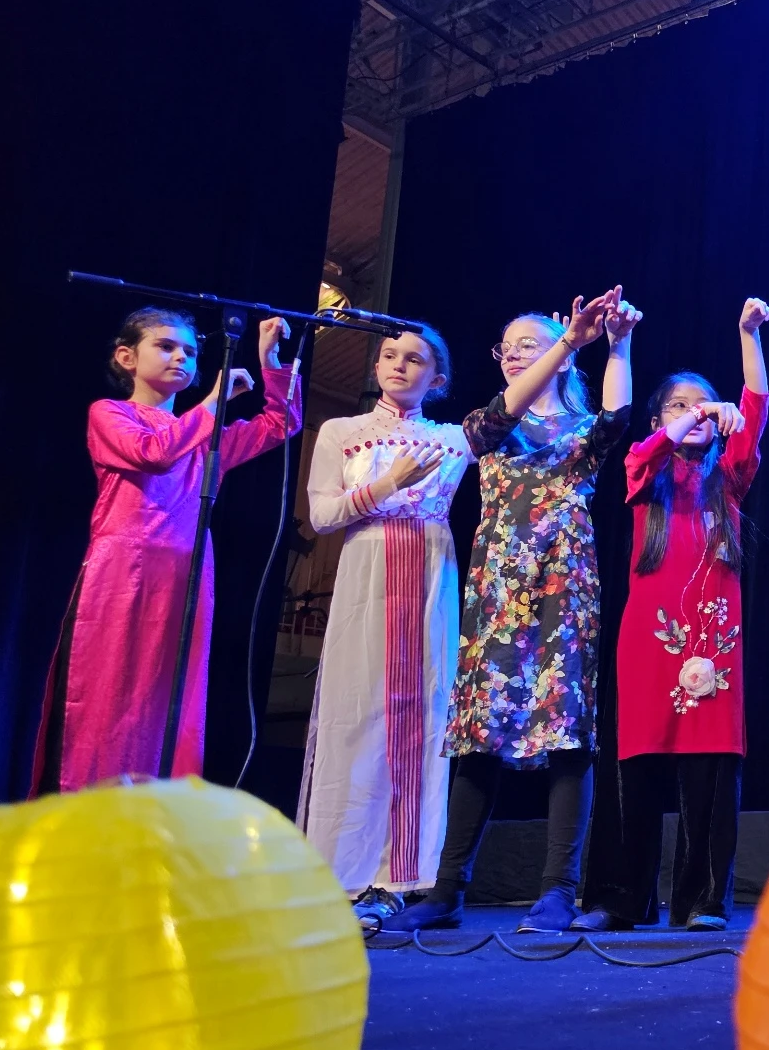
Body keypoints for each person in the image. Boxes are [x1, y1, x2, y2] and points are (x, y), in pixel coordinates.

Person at [384, 290, 636, 933]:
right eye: (512, 346)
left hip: (564, 581)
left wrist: (617, 343)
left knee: (567, 727)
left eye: (535, 340)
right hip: (500, 580)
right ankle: (447, 889)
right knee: (479, 728)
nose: (520, 352)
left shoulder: (581, 431)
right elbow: (492, 425)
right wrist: (566, 343)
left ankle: (558, 889)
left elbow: (618, 418)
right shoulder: (489, 421)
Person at [32, 306, 299, 794]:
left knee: (169, 699)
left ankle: (157, 819)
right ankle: (89, 810)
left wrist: (270, 359)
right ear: (126, 357)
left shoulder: (205, 437)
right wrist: (216, 401)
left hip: (185, 573)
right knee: (107, 693)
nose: (182, 357)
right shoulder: (109, 413)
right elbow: (152, 453)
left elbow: (281, 423)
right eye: (167, 346)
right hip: (121, 573)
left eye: (191, 352)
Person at [577, 298, 769, 933]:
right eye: (676, 405)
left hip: (714, 648)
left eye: (702, 405)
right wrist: (675, 427)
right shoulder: (647, 471)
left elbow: (757, 409)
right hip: (647, 643)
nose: (692, 413)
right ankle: (625, 899)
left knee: (709, 772)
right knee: (636, 768)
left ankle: (701, 902)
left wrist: (746, 335)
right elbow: (639, 455)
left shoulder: (731, 479)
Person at [299, 322, 478, 924]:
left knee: (419, 719)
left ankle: (400, 876)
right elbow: (322, 515)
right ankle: (341, 874)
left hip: (430, 576)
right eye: (389, 355)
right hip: (367, 572)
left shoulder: (452, 440)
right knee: (356, 718)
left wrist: (563, 347)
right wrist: (385, 484)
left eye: (416, 359)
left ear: (439, 377)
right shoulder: (342, 433)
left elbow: (511, 411)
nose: (399, 365)